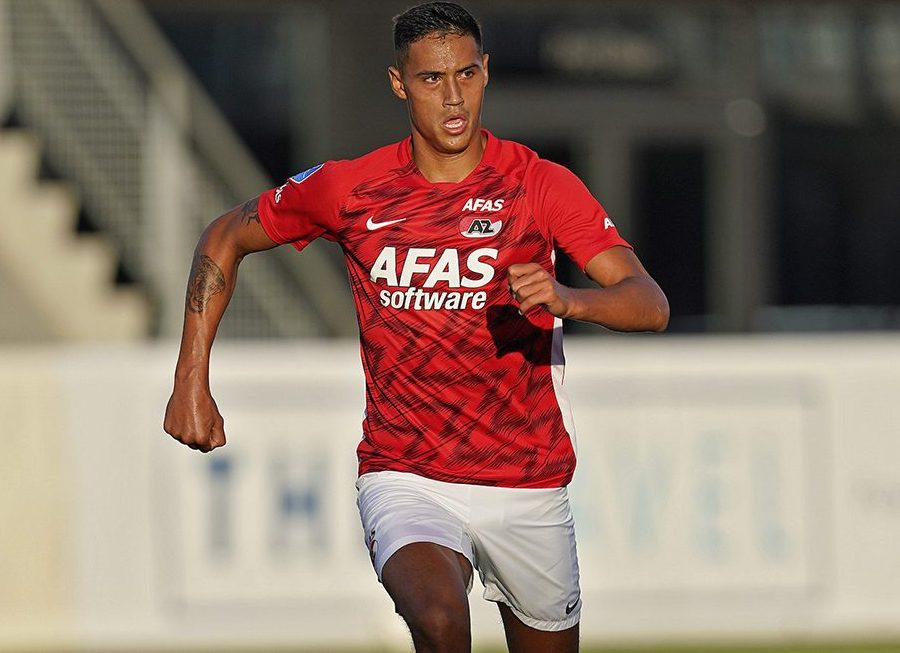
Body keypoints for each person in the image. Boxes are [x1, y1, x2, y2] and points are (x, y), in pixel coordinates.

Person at [164, 2, 668, 652]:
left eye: (467, 75)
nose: (453, 98)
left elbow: (648, 302)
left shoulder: (539, 185)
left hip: (527, 479)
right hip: (407, 473)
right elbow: (225, 236)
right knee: (438, 619)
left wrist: (570, 300)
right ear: (399, 83)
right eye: (432, 79)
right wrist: (191, 377)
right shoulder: (350, 189)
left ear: (486, 72)